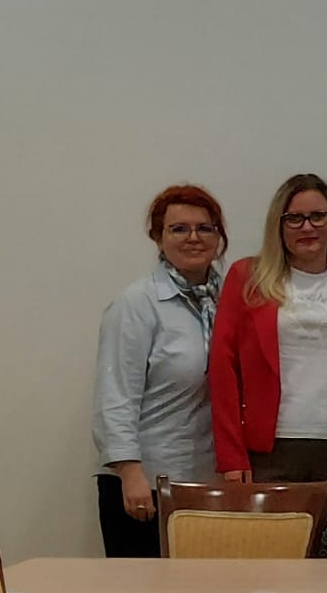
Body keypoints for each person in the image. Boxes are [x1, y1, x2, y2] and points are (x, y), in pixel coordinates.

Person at [211, 174, 327, 483]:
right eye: (295, 219)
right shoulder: (248, 277)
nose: (307, 227)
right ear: (279, 225)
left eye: (318, 216)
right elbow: (223, 369)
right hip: (270, 448)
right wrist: (231, 456)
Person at [92, 184, 228, 555]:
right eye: (179, 229)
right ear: (158, 237)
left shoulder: (230, 301)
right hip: (145, 483)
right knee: (143, 590)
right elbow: (115, 395)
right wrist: (130, 472)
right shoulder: (137, 303)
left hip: (206, 481)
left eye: (205, 228)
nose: (193, 238)